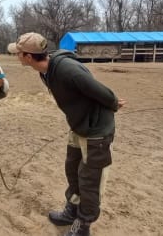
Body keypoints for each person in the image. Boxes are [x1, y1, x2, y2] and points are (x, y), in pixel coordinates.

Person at [8, 32, 126, 236]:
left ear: (28, 56)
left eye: (18, 53)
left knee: (90, 179)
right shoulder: (45, 70)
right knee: (72, 169)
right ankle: (72, 209)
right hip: (79, 125)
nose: (15, 55)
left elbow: (98, 89)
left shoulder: (67, 70)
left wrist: (113, 102)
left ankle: (84, 225)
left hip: (96, 130)